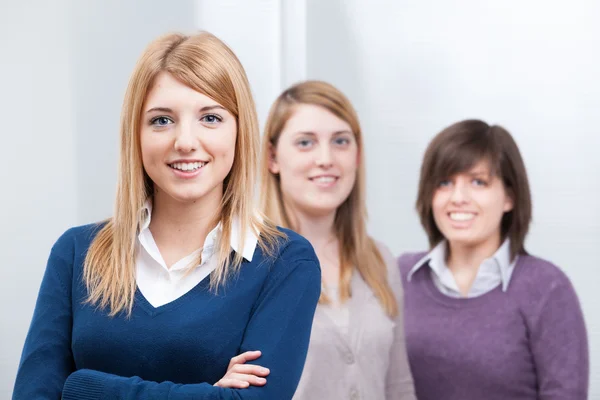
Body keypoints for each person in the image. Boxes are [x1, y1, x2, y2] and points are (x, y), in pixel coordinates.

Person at [13, 31, 321, 400]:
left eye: (210, 117)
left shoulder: (284, 263)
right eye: (162, 120)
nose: (185, 141)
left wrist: (83, 386)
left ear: (240, 131)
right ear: (136, 134)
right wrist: (208, 393)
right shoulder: (76, 253)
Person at [398, 119, 589, 400]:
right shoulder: (400, 276)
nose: (458, 198)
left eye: (478, 182)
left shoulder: (547, 288)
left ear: (509, 197)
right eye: (444, 183)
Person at [258, 80, 415, 399]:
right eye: (305, 143)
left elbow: (398, 386)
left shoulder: (379, 260)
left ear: (357, 156)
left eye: (341, 141)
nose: (326, 158)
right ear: (273, 157)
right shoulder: (246, 264)